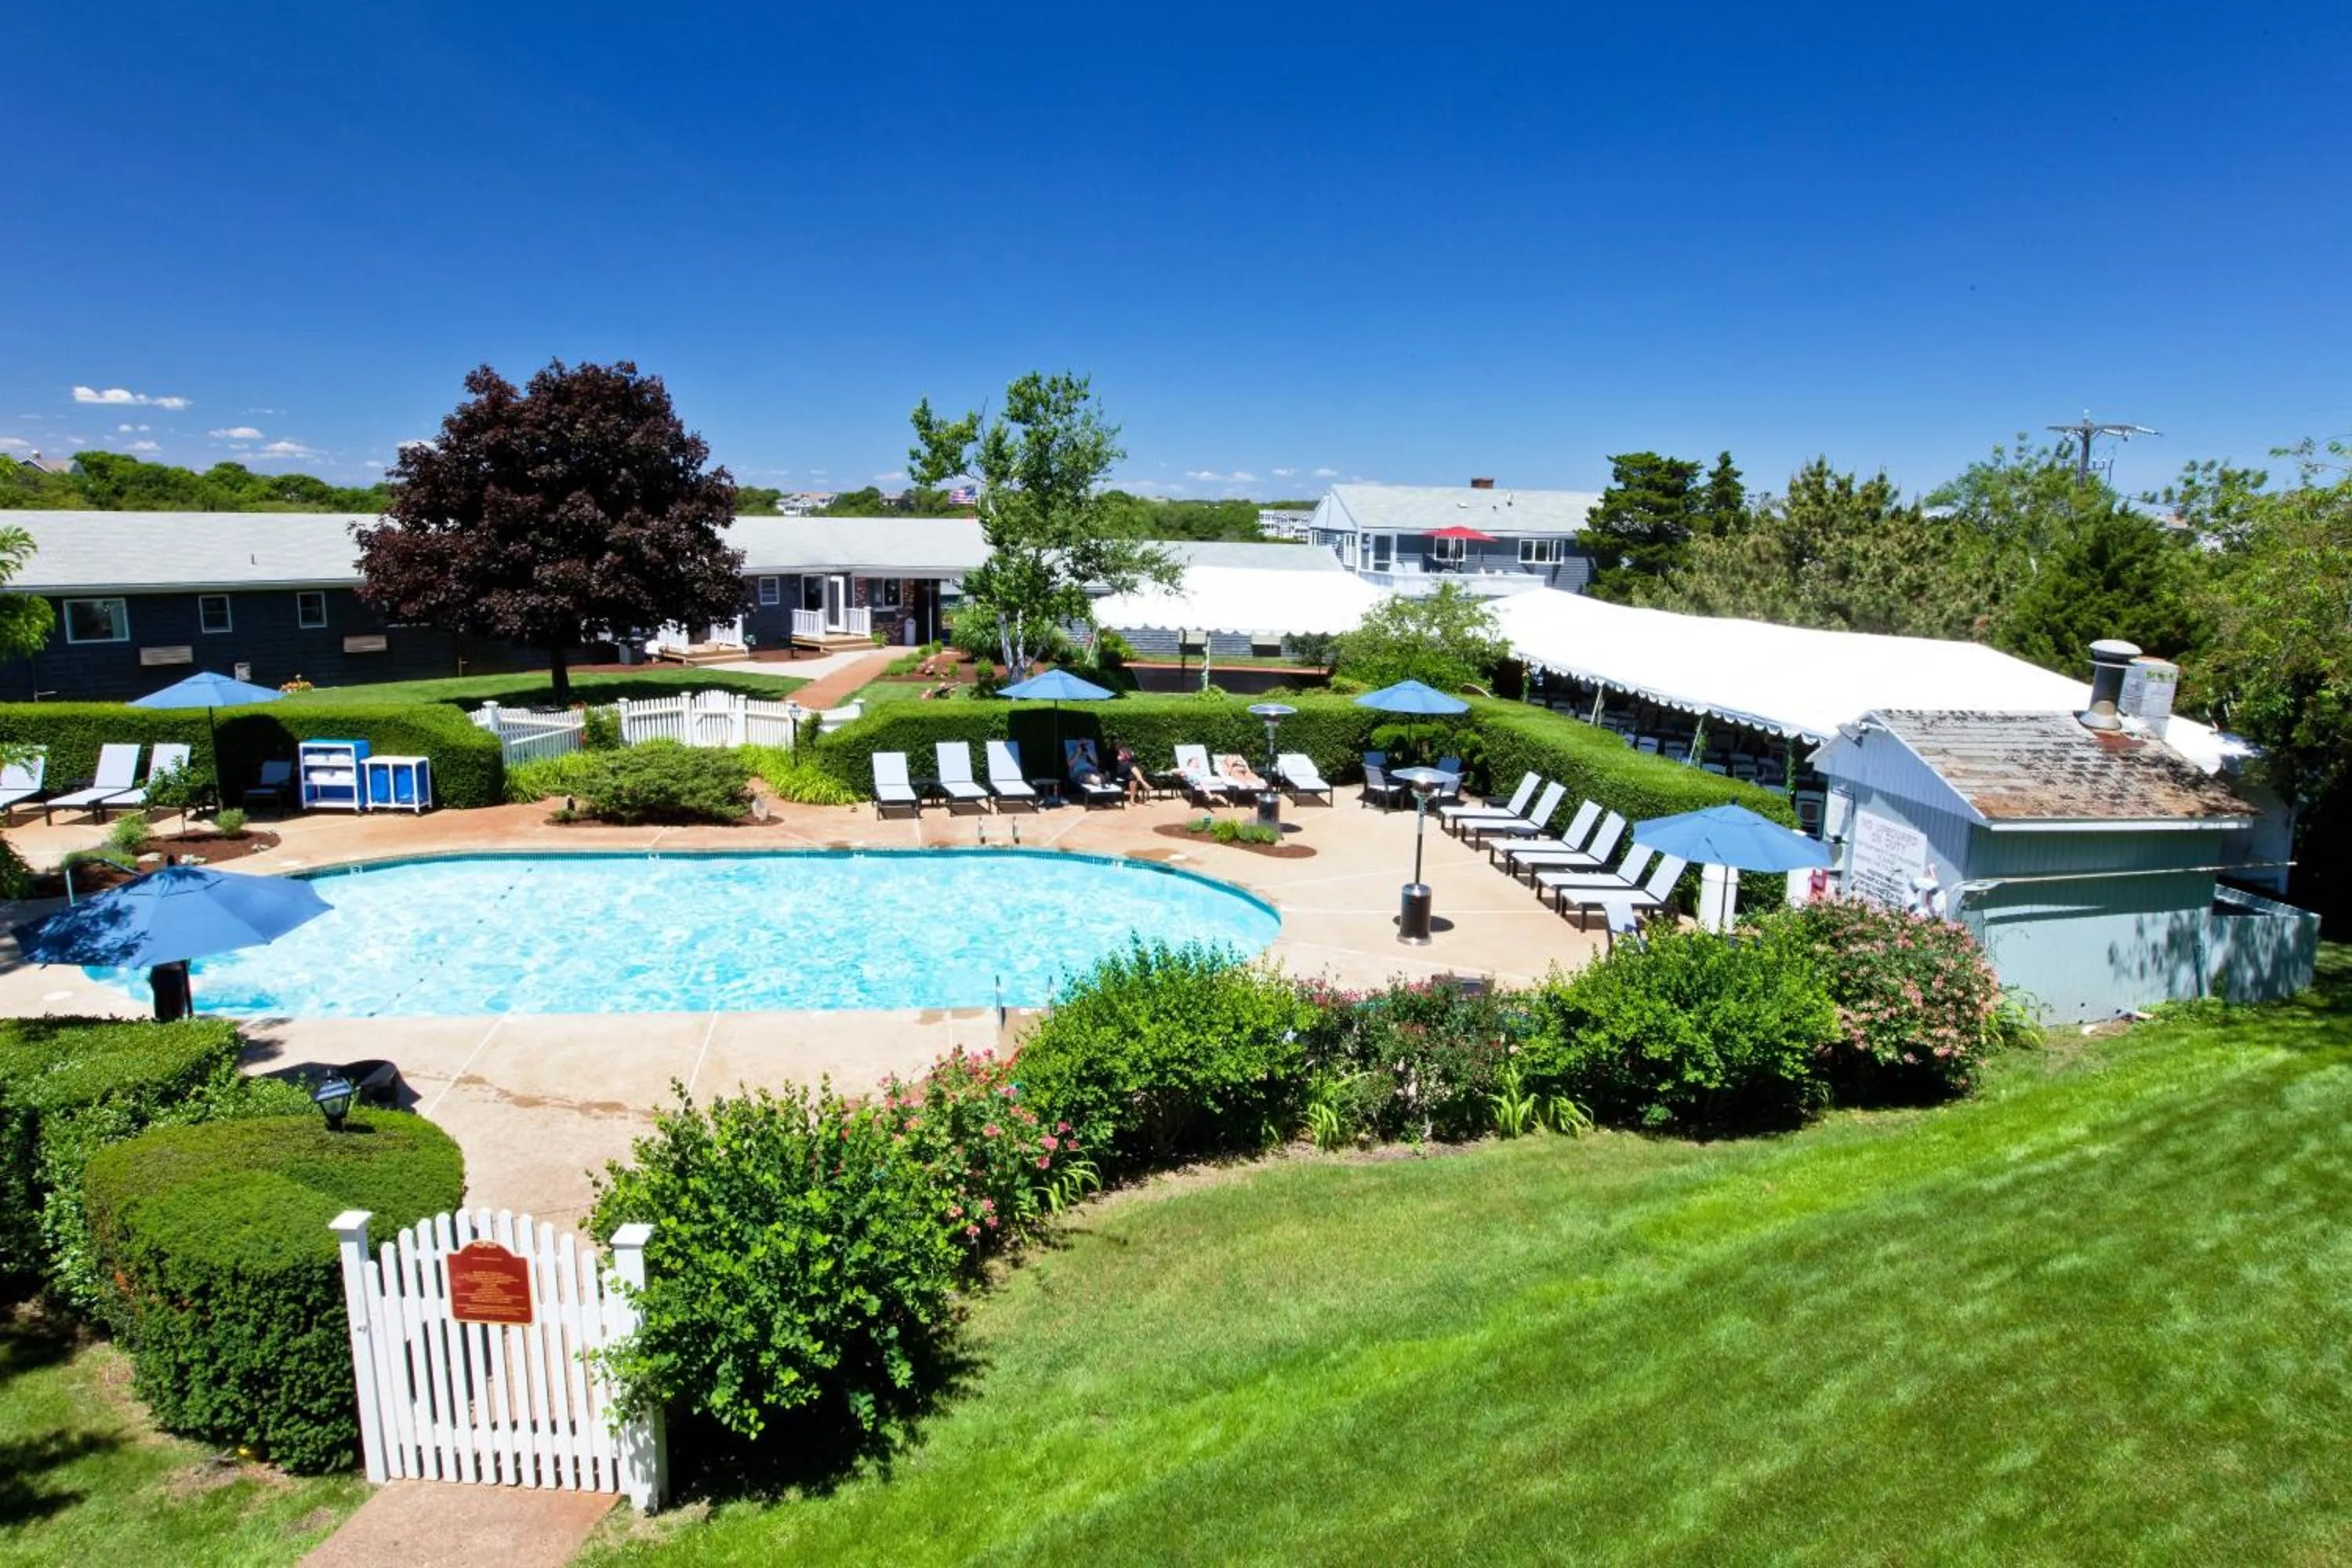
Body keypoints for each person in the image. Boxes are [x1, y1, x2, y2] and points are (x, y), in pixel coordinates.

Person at [1109, 737, 1149, 804]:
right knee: (1130, 765)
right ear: (1112, 744)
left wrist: (1127, 758)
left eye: (1118, 743)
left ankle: (1132, 799)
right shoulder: (1110, 752)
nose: (1117, 745)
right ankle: (1143, 782)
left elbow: (1134, 760)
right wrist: (1117, 760)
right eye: (1115, 744)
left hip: (1128, 771)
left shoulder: (1126, 750)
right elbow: (1109, 764)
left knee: (1133, 775)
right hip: (1117, 771)